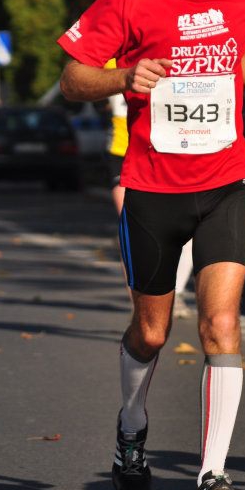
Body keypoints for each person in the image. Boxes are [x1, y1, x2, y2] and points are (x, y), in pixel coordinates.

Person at [57, 0, 245, 490]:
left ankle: (212, 477)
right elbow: (74, 76)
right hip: (154, 188)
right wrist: (122, 78)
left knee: (219, 324)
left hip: (226, 182)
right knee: (152, 333)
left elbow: (243, 47)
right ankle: (132, 425)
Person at [105, 57, 193, 318]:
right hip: (122, 151)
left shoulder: (161, 55)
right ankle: (138, 300)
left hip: (162, 151)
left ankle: (174, 293)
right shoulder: (110, 62)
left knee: (187, 230)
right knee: (132, 228)